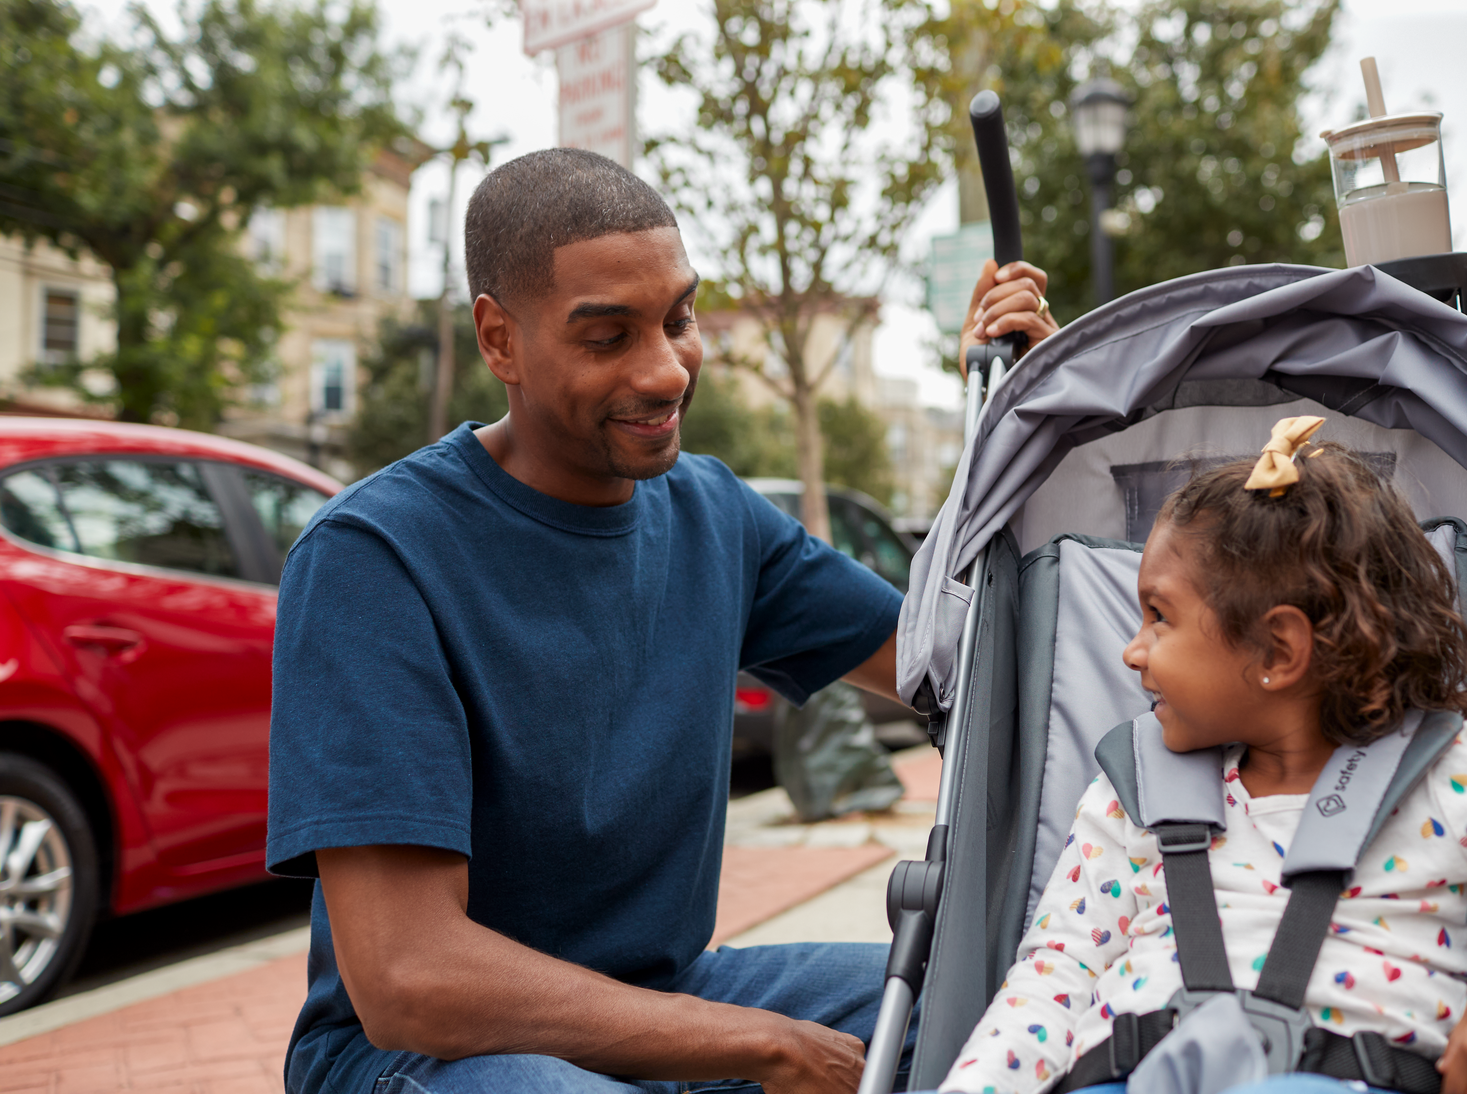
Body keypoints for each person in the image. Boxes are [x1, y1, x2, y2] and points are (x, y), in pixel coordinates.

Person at [265, 147, 1059, 1094]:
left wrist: (1032, 419)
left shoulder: (713, 514)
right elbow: (412, 980)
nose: (666, 370)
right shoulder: (374, 558)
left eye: (678, 319)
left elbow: (964, 662)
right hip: (428, 1058)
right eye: (607, 337)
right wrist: (754, 1044)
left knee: (1021, 993)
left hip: (662, 991)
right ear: (498, 340)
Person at [939, 421, 1467, 1094]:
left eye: (1158, 617)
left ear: (1278, 650)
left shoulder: (1454, 780)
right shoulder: (1133, 791)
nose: (1132, 650)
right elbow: (1053, 979)